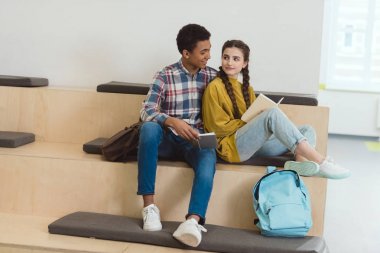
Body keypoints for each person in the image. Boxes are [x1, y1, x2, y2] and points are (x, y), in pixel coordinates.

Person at [202, 39, 350, 179]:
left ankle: (299, 164)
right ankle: (322, 162)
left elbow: (251, 119)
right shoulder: (214, 87)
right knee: (271, 114)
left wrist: (256, 121)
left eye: (235, 59)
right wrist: (253, 122)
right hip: (232, 147)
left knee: (307, 130)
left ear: (244, 63)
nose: (229, 62)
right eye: (226, 57)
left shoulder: (246, 89)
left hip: (253, 143)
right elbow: (216, 127)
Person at [137, 24, 217, 247]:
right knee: (149, 128)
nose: (209, 56)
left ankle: (193, 221)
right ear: (186, 53)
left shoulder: (213, 76)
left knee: (209, 153)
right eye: (204, 52)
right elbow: (146, 110)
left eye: (210, 50)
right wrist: (171, 121)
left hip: (195, 141)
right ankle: (149, 208)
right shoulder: (165, 75)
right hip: (167, 138)